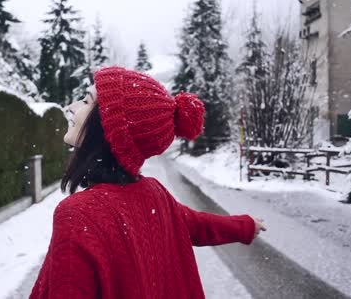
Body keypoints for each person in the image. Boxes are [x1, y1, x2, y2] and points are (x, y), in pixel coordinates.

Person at [29, 67, 266, 299]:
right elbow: (196, 225)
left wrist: (244, 225)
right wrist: (244, 226)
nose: (71, 108)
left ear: (108, 127)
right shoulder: (155, 194)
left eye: (86, 101)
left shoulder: (78, 214)